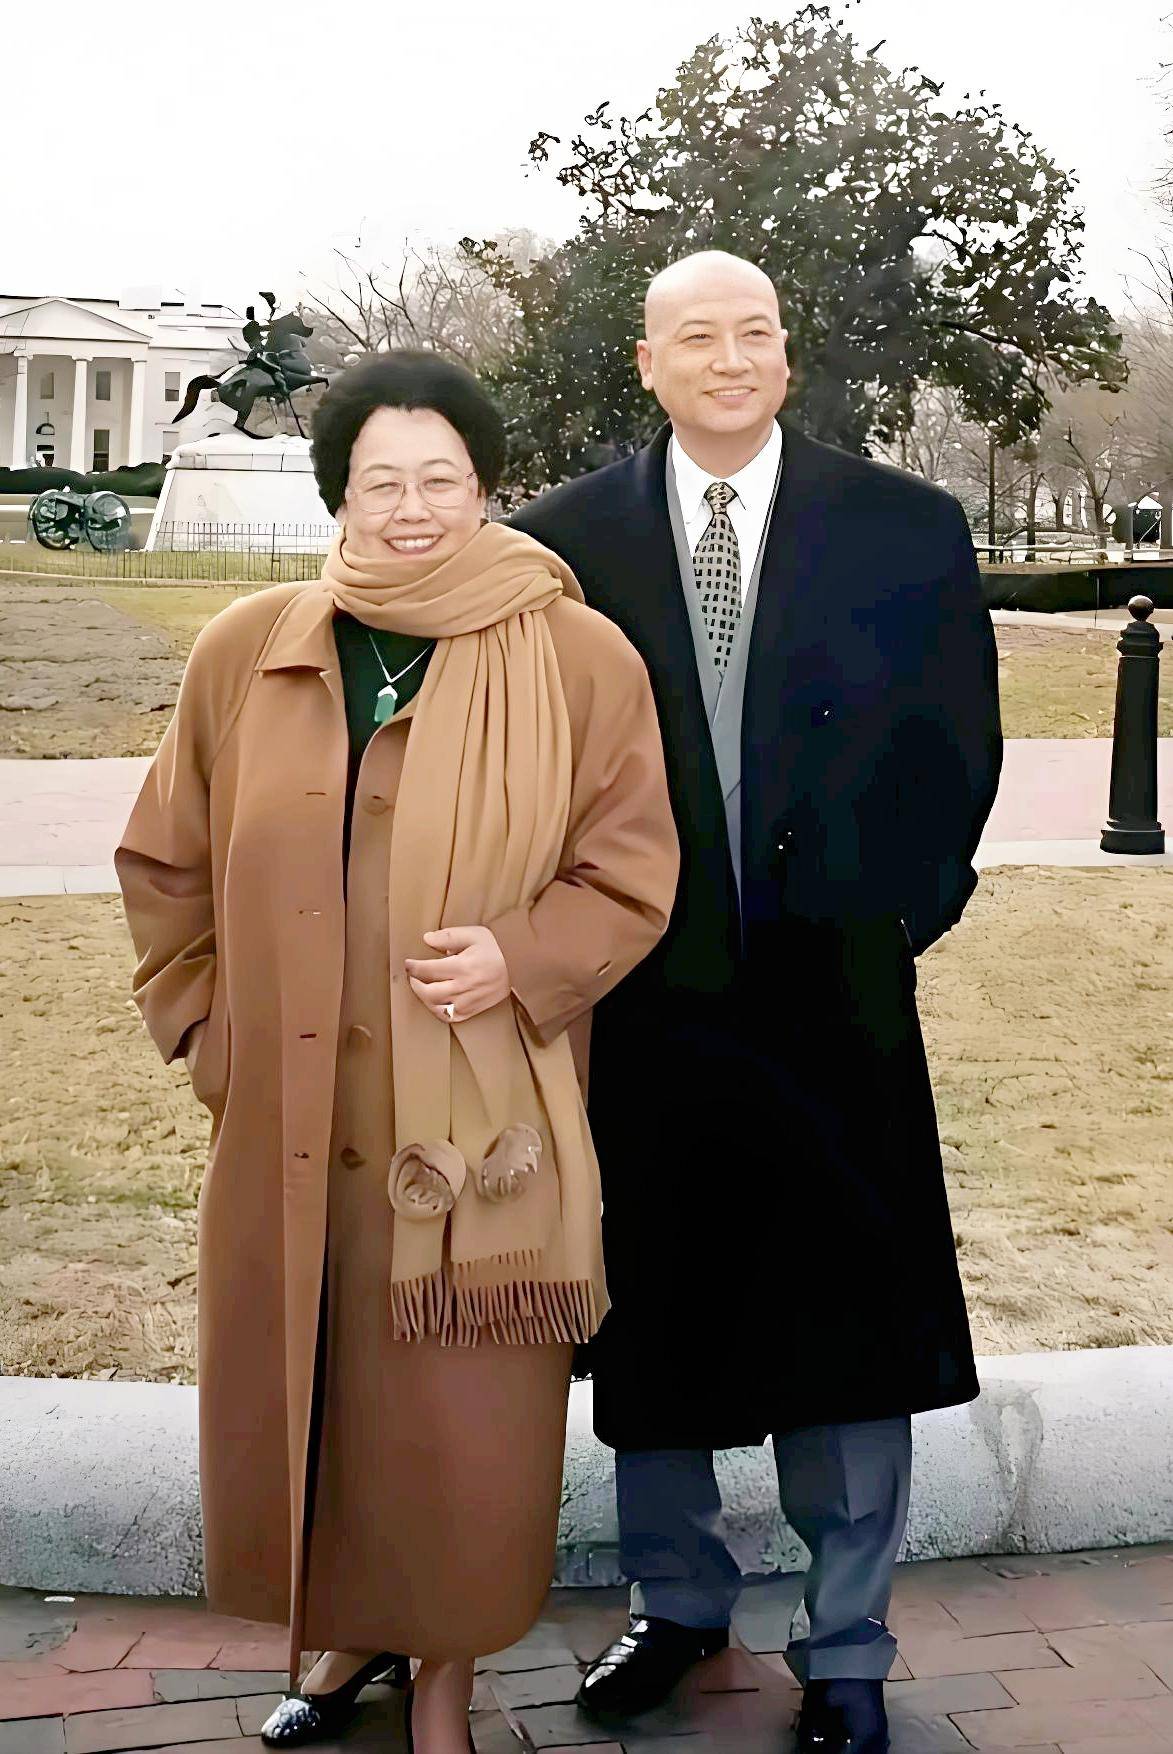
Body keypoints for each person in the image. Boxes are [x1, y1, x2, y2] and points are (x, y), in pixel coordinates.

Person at [115, 351, 679, 1754]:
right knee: (320, 1392)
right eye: (382, 481)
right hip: (288, 1112)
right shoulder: (250, 648)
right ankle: (348, 1629)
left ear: (485, 486)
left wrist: (520, 959)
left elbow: (628, 872)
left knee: (456, 1421)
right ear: (339, 494)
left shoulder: (578, 656)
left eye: (441, 478)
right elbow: (165, 862)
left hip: (477, 1127)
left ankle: (445, 1672)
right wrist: (209, 1035)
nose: (412, 507)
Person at [509, 251, 1003, 1754]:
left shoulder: (905, 526)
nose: (730, 359)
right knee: (656, 1313)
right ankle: (676, 1600)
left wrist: (899, 912)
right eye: (697, 337)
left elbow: (959, 744)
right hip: (645, 1001)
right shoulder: (563, 542)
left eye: (757, 334)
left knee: (849, 1318)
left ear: (786, 355)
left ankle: (846, 1643)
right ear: (647, 363)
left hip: (834, 991)